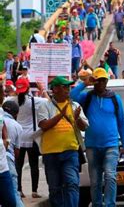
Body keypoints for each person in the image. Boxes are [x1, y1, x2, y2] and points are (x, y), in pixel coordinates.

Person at [71, 68, 124, 207]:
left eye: (103, 80)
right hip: (92, 146)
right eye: (97, 80)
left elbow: (121, 122)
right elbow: (72, 96)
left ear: (107, 81)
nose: (100, 83)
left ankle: (110, 204)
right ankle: (97, 204)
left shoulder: (115, 99)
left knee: (110, 176)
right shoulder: (88, 97)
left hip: (111, 145)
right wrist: (85, 83)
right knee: (95, 181)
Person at [37, 76, 88, 207]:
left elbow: (84, 127)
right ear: (55, 89)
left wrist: (77, 119)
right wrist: (61, 115)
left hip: (70, 152)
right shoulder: (44, 106)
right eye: (64, 86)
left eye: (68, 87)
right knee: (55, 188)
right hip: (50, 153)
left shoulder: (75, 105)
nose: (67, 89)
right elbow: (44, 125)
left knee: (72, 183)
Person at [6, 78, 47, 199]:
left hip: (17, 136)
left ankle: (19, 190)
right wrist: (41, 89)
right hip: (31, 137)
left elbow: (5, 100)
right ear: (28, 88)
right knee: (34, 165)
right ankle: (34, 191)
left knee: (18, 164)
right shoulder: (35, 101)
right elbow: (48, 101)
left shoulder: (11, 100)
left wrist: (14, 93)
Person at [2, 100, 25, 207]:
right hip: (7, 162)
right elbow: (17, 151)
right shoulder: (17, 126)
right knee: (14, 194)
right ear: (15, 114)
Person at [0, 106, 17, 207]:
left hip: (2, 167)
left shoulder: (0, 110)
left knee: (10, 202)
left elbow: (3, 125)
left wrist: (6, 140)